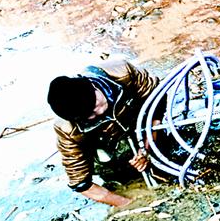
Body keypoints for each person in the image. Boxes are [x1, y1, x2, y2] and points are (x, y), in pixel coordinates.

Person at [47, 59, 161, 207]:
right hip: (107, 146)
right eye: (90, 115)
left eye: (95, 104)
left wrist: (146, 147)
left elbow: (157, 101)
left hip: (139, 124)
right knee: (118, 176)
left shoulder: (122, 72)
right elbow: (81, 183)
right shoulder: (67, 129)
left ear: (93, 87)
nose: (100, 111)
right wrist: (128, 204)